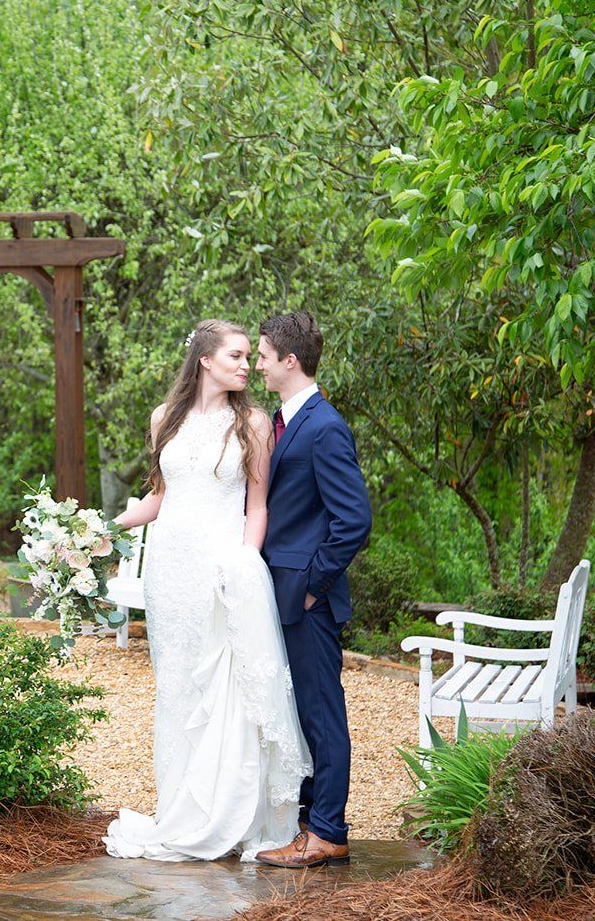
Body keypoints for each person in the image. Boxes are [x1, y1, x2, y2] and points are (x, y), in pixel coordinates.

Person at [103, 319, 308, 862]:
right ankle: (179, 809)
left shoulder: (254, 424)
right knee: (177, 689)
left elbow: (257, 506)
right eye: (237, 356)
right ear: (205, 361)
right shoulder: (162, 419)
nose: (247, 366)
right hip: (169, 573)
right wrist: (97, 530)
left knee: (225, 689)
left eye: (249, 357)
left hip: (220, 572)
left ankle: (229, 812)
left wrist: (243, 562)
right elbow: (157, 500)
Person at [251, 311, 372, 869]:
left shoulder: (324, 427)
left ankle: (327, 831)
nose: (257, 362)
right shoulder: (280, 421)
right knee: (299, 712)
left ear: (289, 361)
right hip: (275, 590)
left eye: (263, 354)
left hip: (307, 597)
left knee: (322, 715)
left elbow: (354, 521)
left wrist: (312, 587)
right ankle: (306, 824)